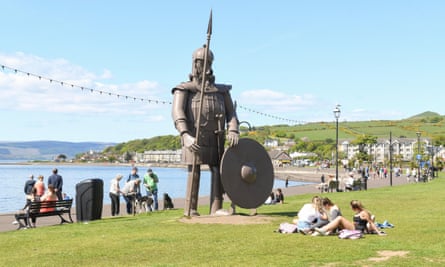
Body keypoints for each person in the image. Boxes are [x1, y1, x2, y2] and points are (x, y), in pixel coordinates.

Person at [171, 46, 239, 216]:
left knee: (218, 170)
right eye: (201, 63)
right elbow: (177, 112)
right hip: (194, 136)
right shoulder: (184, 89)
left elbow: (231, 114)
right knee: (194, 171)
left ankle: (216, 207)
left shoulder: (222, 91)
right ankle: (191, 208)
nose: (204, 67)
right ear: (195, 64)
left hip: (216, 137)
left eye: (207, 62)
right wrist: (185, 134)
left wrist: (233, 129)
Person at [315, 200, 386, 236]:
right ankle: (323, 231)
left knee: (340, 218)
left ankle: (324, 230)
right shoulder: (358, 213)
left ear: (354, 207)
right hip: (355, 227)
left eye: (351, 206)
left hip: (358, 230)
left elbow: (371, 223)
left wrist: (378, 232)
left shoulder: (364, 213)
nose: (350, 208)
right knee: (339, 220)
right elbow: (358, 222)